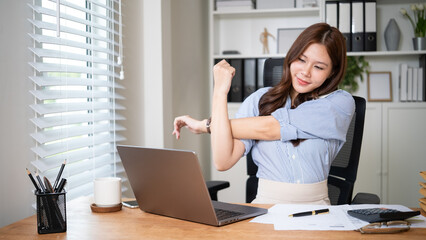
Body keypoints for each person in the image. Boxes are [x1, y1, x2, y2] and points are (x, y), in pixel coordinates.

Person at [173, 23, 354, 205]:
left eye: (319, 67)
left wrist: (206, 125)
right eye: (301, 59)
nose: (305, 72)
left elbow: (271, 128)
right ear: (292, 56)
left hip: (317, 212)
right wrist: (220, 91)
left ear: (332, 73)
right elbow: (223, 160)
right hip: (265, 209)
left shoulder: (339, 104)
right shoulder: (258, 100)